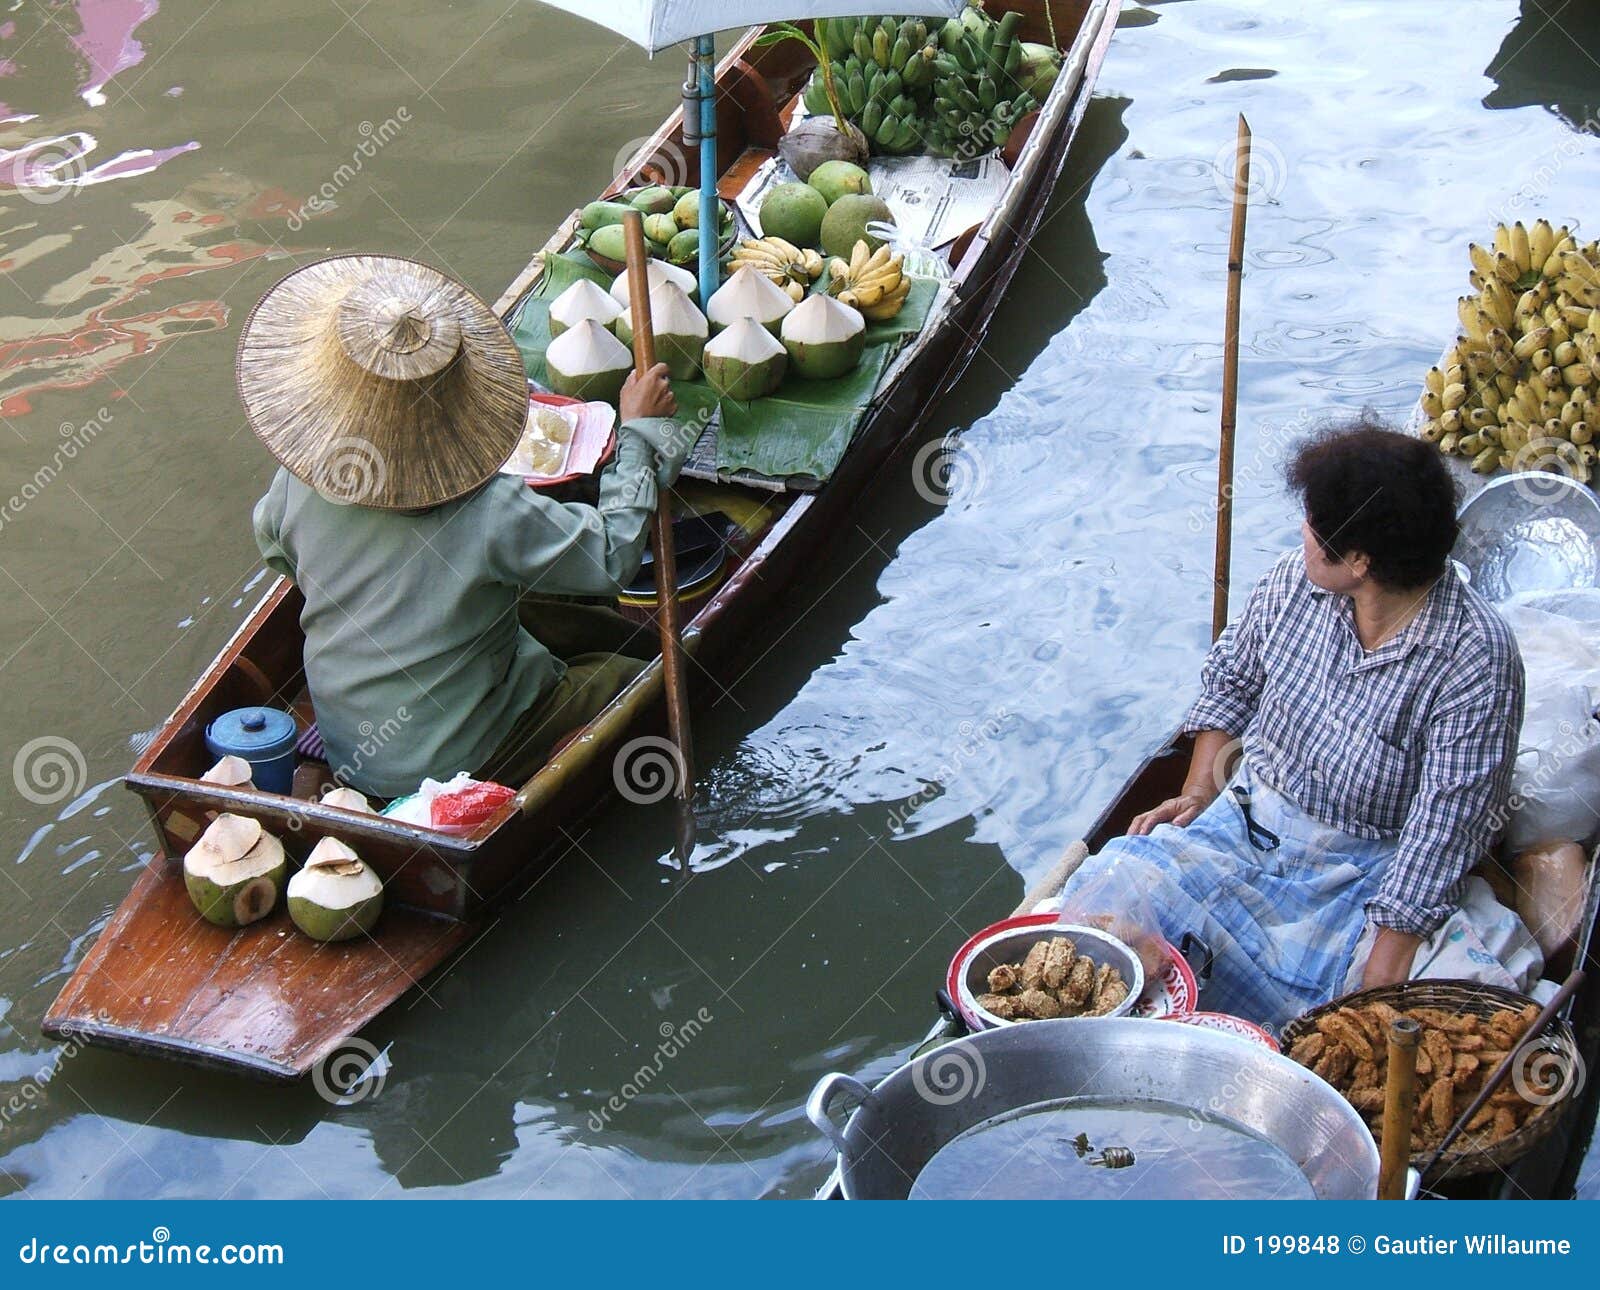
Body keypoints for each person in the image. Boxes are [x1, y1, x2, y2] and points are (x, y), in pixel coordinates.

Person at [1059, 421, 1528, 1028]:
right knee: (1110, 882)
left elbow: (1443, 834)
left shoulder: (1476, 659)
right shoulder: (1294, 582)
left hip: (1360, 872)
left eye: (1312, 524)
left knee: (1346, 1018)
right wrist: (1201, 790)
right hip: (1247, 822)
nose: (1301, 533)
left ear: (1359, 561)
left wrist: (1377, 980)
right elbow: (1231, 681)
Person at [239, 254, 695, 799]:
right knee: (626, 675)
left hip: (348, 744)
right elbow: (613, 558)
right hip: (448, 760)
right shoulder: (488, 508)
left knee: (527, 606)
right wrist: (639, 433)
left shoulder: (304, 475)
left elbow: (277, 550)